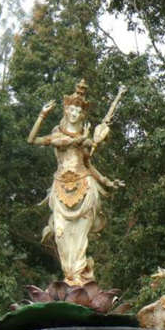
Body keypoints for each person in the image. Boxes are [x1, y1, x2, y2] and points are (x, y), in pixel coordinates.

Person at [27, 80, 124, 287]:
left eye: (78, 111)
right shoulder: (58, 134)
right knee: (60, 234)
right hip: (60, 187)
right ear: (66, 110)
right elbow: (32, 140)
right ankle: (69, 275)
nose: (74, 113)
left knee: (80, 236)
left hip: (84, 185)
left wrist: (105, 181)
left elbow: (88, 165)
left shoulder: (85, 139)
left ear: (82, 115)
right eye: (71, 109)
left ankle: (79, 277)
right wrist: (42, 115)